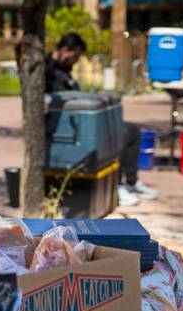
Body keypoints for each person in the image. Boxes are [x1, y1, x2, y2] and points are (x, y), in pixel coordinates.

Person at [45, 32, 158, 206]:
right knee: (118, 135)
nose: (74, 61)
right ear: (66, 50)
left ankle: (131, 182)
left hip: (81, 119)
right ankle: (117, 186)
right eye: (75, 56)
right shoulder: (47, 69)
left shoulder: (65, 70)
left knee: (132, 131)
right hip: (66, 126)